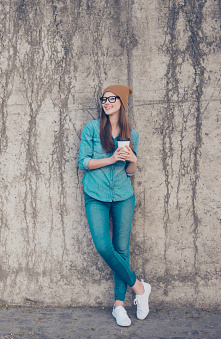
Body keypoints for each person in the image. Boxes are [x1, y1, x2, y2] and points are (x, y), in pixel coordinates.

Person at [78, 84, 151, 327]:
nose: (106, 102)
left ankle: (119, 305)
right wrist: (110, 159)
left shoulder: (134, 135)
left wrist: (133, 160)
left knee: (122, 250)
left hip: (122, 195)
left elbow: (130, 172)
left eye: (112, 98)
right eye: (104, 98)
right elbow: (83, 162)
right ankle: (140, 287)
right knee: (103, 246)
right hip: (95, 194)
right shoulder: (91, 128)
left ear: (121, 102)